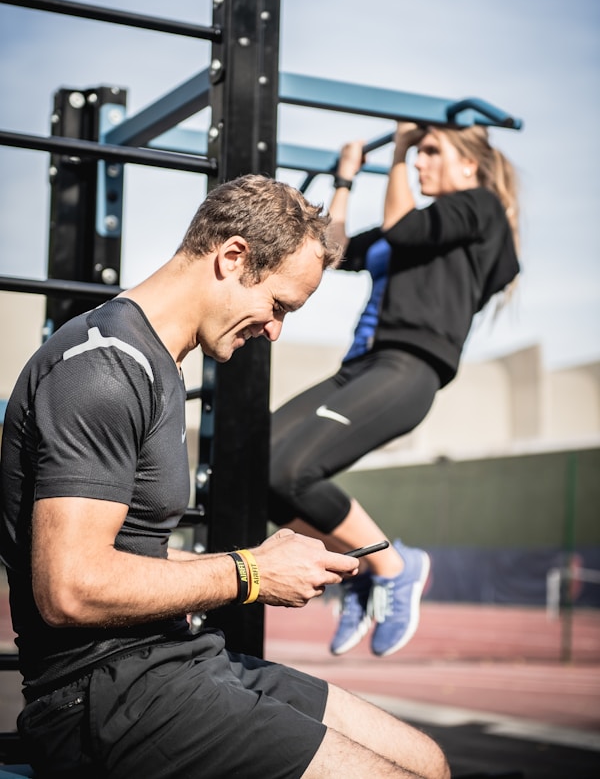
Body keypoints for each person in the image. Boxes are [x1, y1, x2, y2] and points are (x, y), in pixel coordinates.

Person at [0, 174, 450, 779]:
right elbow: (71, 588)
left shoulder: (156, 362)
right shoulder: (104, 369)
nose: (275, 330)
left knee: (428, 761)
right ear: (233, 256)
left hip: (173, 662)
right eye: (279, 306)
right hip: (105, 700)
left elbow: (130, 559)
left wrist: (264, 560)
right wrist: (251, 574)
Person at [269, 122, 520, 658]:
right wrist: (345, 179)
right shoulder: (409, 223)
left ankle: (394, 566)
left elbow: (404, 229)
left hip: (409, 368)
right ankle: (365, 570)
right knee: (253, 471)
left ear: (469, 165)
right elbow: (329, 253)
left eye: (433, 152)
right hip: (359, 368)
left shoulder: (480, 209)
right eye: (419, 151)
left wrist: (401, 151)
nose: (422, 161)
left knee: (292, 470)